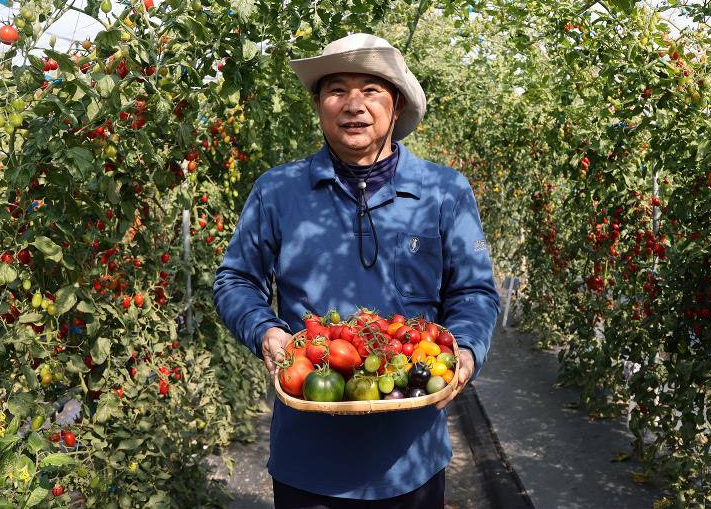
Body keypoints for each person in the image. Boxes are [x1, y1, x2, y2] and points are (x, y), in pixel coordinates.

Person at [213, 33, 500, 508]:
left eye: (371, 90)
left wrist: (466, 351)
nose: (354, 105)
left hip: (411, 458)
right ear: (318, 103)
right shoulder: (278, 192)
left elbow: (473, 292)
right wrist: (265, 332)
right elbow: (235, 280)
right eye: (336, 89)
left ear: (397, 104)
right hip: (309, 459)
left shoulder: (443, 191)